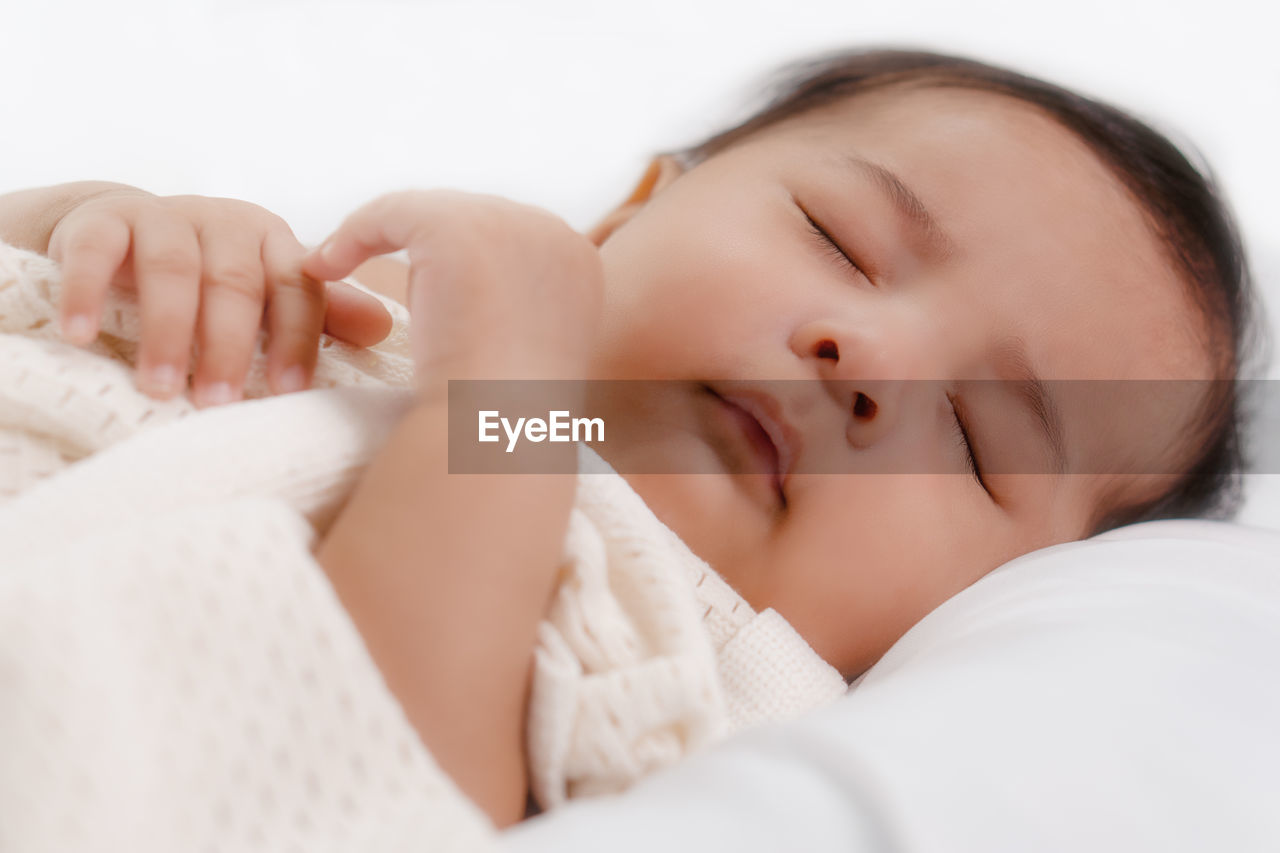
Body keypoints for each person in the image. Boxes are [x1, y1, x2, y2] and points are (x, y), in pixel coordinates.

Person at [0, 48, 1257, 831]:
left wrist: (504, 379)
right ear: (627, 211)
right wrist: (106, 228)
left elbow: (349, 779)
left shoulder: (701, 677)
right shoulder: (355, 319)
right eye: (839, 239)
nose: (867, 362)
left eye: (981, 442)